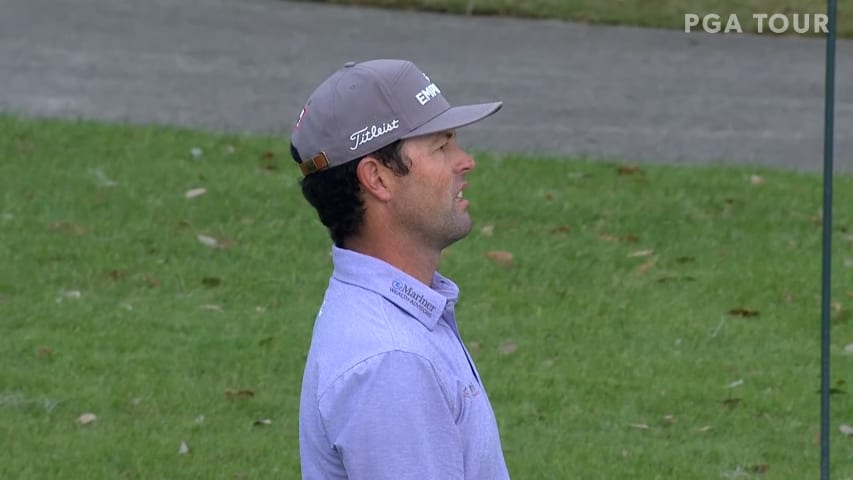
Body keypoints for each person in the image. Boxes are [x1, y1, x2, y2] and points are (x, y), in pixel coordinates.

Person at [291, 58, 509, 480]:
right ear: (378, 178)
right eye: (441, 146)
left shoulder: (398, 316)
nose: (466, 161)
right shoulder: (392, 362)